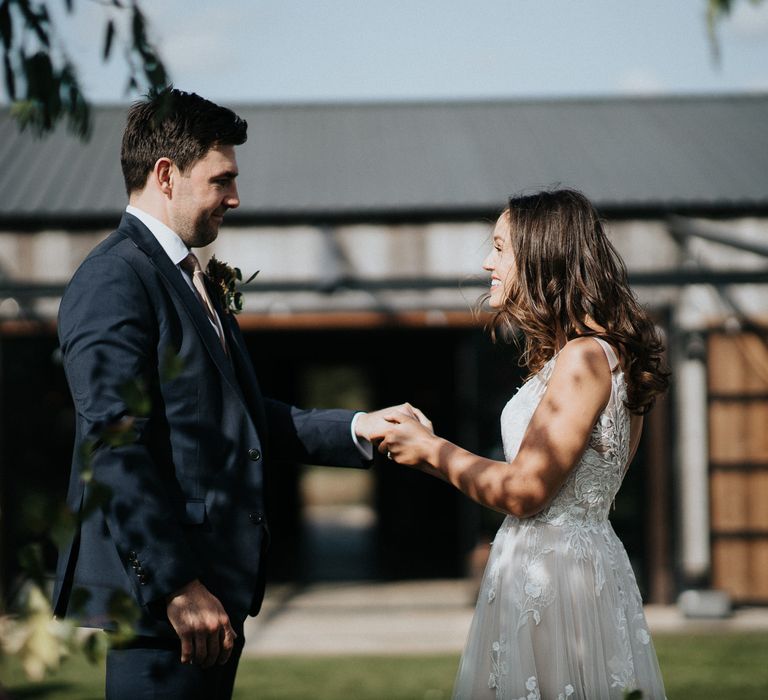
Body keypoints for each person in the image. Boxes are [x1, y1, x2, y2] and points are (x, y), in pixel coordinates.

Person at [53, 88, 413, 700]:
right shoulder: (115, 279)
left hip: (215, 597)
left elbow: (238, 420)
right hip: (168, 609)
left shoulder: (191, 278)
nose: (235, 198)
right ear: (166, 175)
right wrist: (176, 586)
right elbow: (113, 446)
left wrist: (357, 426)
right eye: (222, 179)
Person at [376, 189, 669, 699]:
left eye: (499, 248)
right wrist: (420, 451)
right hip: (562, 562)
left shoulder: (583, 359)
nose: (487, 263)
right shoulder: (594, 355)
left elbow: (525, 492)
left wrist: (432, 449)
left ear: (541, 257)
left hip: (556, 580)